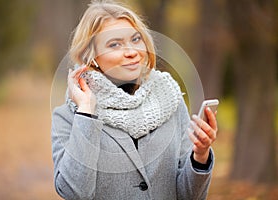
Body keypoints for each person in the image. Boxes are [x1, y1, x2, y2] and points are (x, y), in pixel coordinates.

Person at [51, 0, 218, 199]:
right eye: (114, 44)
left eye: (136, 39)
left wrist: (200, 156)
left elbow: (189, 196)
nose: (131, 52)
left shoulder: (170, 100)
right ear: (91, 55)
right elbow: (74, 192)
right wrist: (86, 111)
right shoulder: (69, 117)